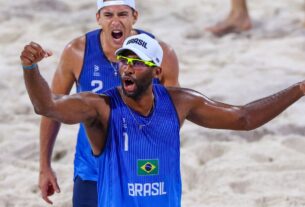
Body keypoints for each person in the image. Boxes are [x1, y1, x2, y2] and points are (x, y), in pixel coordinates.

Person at [21, 34, 305, 207]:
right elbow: (47, 105)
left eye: (137, 62)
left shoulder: (179, 102)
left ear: (156, 71)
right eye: (124, 60)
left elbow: (244, 118)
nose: (128, 67)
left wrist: (300, 89)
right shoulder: (102, 107)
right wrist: (31, 68)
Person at [38, 0, 179, 206]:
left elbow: (172, 115)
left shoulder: (160, 54)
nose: (115, 21)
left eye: (122, 14)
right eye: (108, 15)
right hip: (93, 168)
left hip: (142, 169)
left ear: (134, 17)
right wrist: (44, 166)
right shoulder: (77, 52)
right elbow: (52, 108)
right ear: (98, 18)